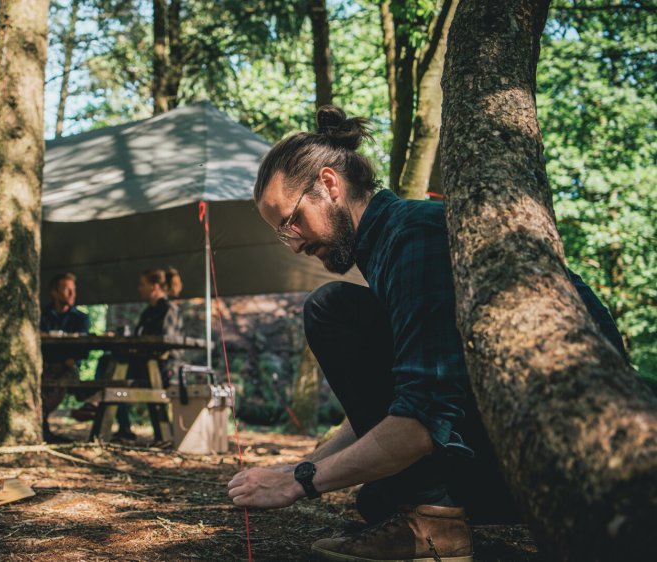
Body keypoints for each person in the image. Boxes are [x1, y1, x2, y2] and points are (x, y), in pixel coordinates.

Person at [225, 106, 628, 562]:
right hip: (529, 445)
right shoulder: (389, 242)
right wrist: (302, 467)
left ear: (330, 185)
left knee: (330, 308)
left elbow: (422, 418)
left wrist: (300, 484)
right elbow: (393, 399)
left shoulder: (414, 237)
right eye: (284, 234)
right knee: (377, 498)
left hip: (569, 457)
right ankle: (434, 515)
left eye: (292, 220)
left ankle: (436, 523)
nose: (295, 242)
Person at [111, 267, 183, 442]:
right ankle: (122, 426)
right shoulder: (148, 312)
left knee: (115, 372)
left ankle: (98, 407)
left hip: (163, 367)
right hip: (143, 364)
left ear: (154, 287)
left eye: (142, 284)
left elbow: (164, 342)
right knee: (110, 365)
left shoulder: (168, 309)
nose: (139, 289)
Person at [39, 273, 90, 443]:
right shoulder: (41, 315)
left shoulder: (80, 318)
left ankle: (40, 419)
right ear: (54, 292)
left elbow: (81, 349)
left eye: (73, 289)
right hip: (43, 365)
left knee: (62, 378)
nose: (72, 294)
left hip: (66, 367)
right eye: (67, 289)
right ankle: (41, 424)